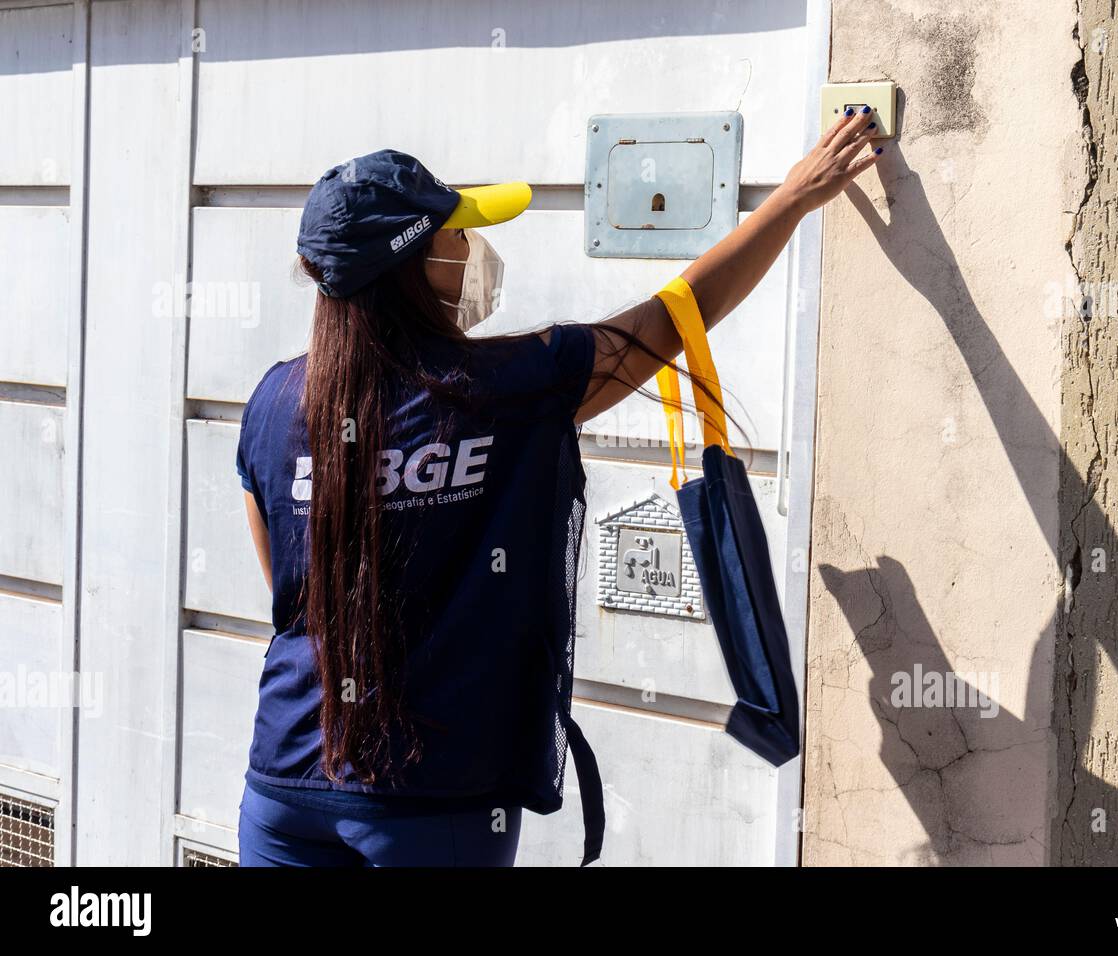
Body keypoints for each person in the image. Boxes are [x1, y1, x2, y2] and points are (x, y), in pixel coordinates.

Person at [235, 109, 884, 867]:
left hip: (284, 784)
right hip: (434, 799)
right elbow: (675, 317)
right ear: (413, 268)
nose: (469, 251)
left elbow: (289, 594)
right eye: (454, 237)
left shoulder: (272, 403)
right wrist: (794, 199)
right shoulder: (510, 385)